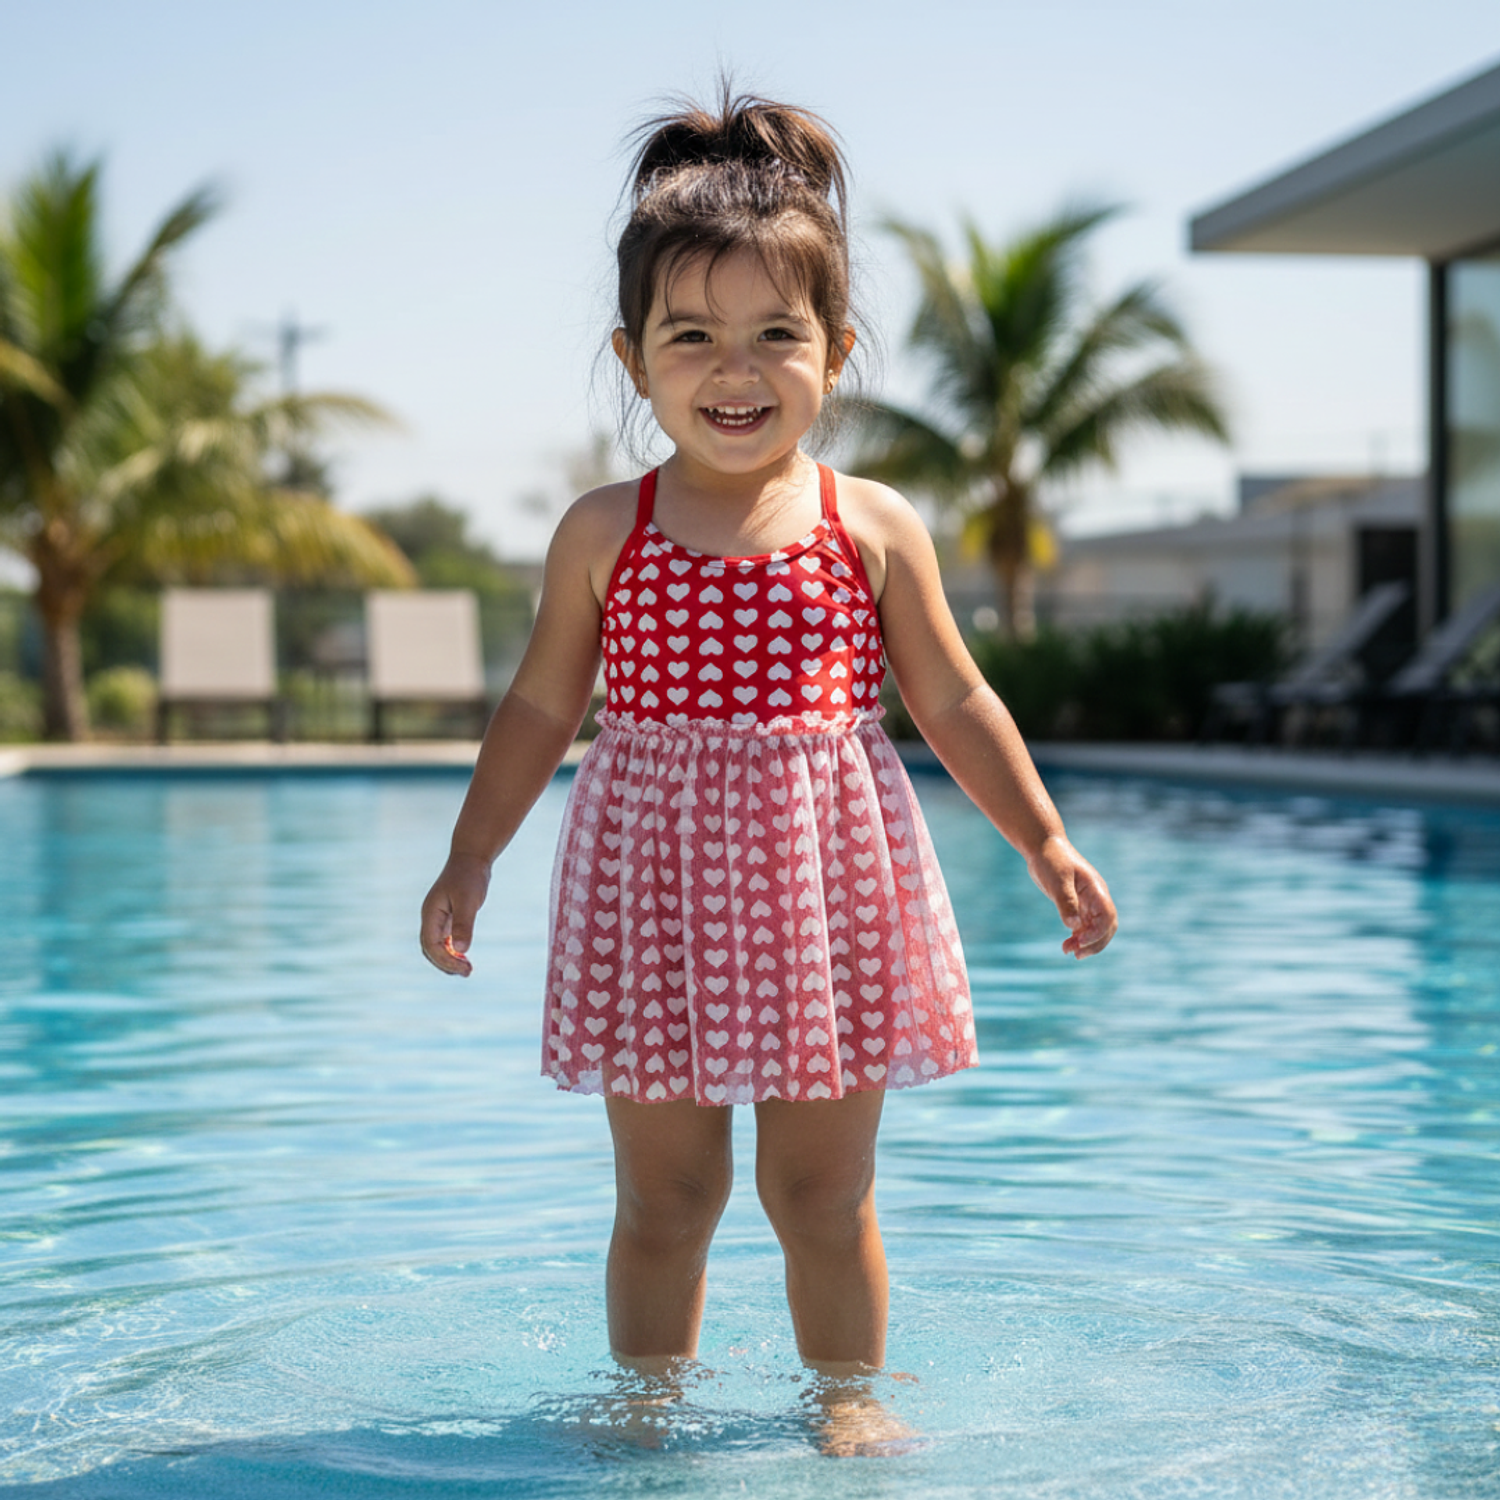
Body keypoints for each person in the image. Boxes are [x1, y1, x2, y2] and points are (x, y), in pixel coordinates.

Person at [420, 89, 1116, 1391]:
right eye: (690, 336)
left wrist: (1044, 839)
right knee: (666, 1200)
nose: (733, 372)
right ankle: (648, 1413)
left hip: (824, 892)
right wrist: (472, 857)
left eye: (774, 336)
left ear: (835, 353)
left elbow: (956, 701)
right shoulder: (603, 531)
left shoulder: (872, 524)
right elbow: (539, 709)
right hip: (655, 898)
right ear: (633, 359)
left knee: (822, 1195)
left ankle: (846, 1411)